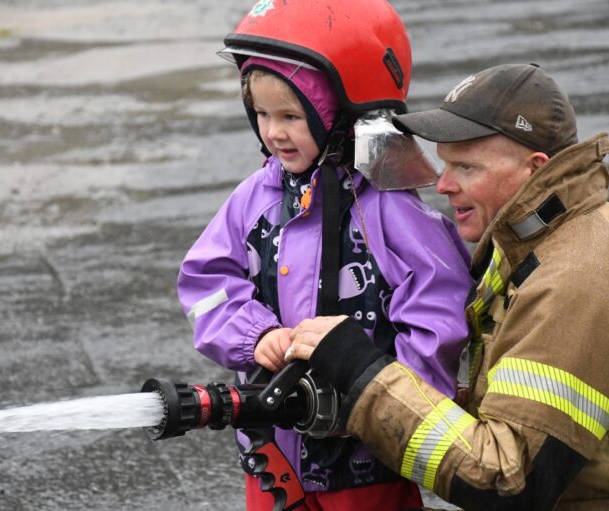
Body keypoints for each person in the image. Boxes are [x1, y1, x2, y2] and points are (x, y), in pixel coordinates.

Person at [286, 63, 609, 510]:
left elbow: (505, 482)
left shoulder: (578, 280)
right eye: (444, 163)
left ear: (534, 168)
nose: (443, 184)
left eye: (466, 166)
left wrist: (364, 376)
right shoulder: (552, 241)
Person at [177, 1, 473, 509]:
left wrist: (387, 403)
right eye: (263, 115)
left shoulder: (385, 205)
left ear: (341, 113)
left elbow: (439, 307)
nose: (274, 132)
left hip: (365, 464)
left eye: (292, 115)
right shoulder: (254, 198)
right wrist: (256, 334)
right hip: (274, 455)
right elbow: (207, 282)